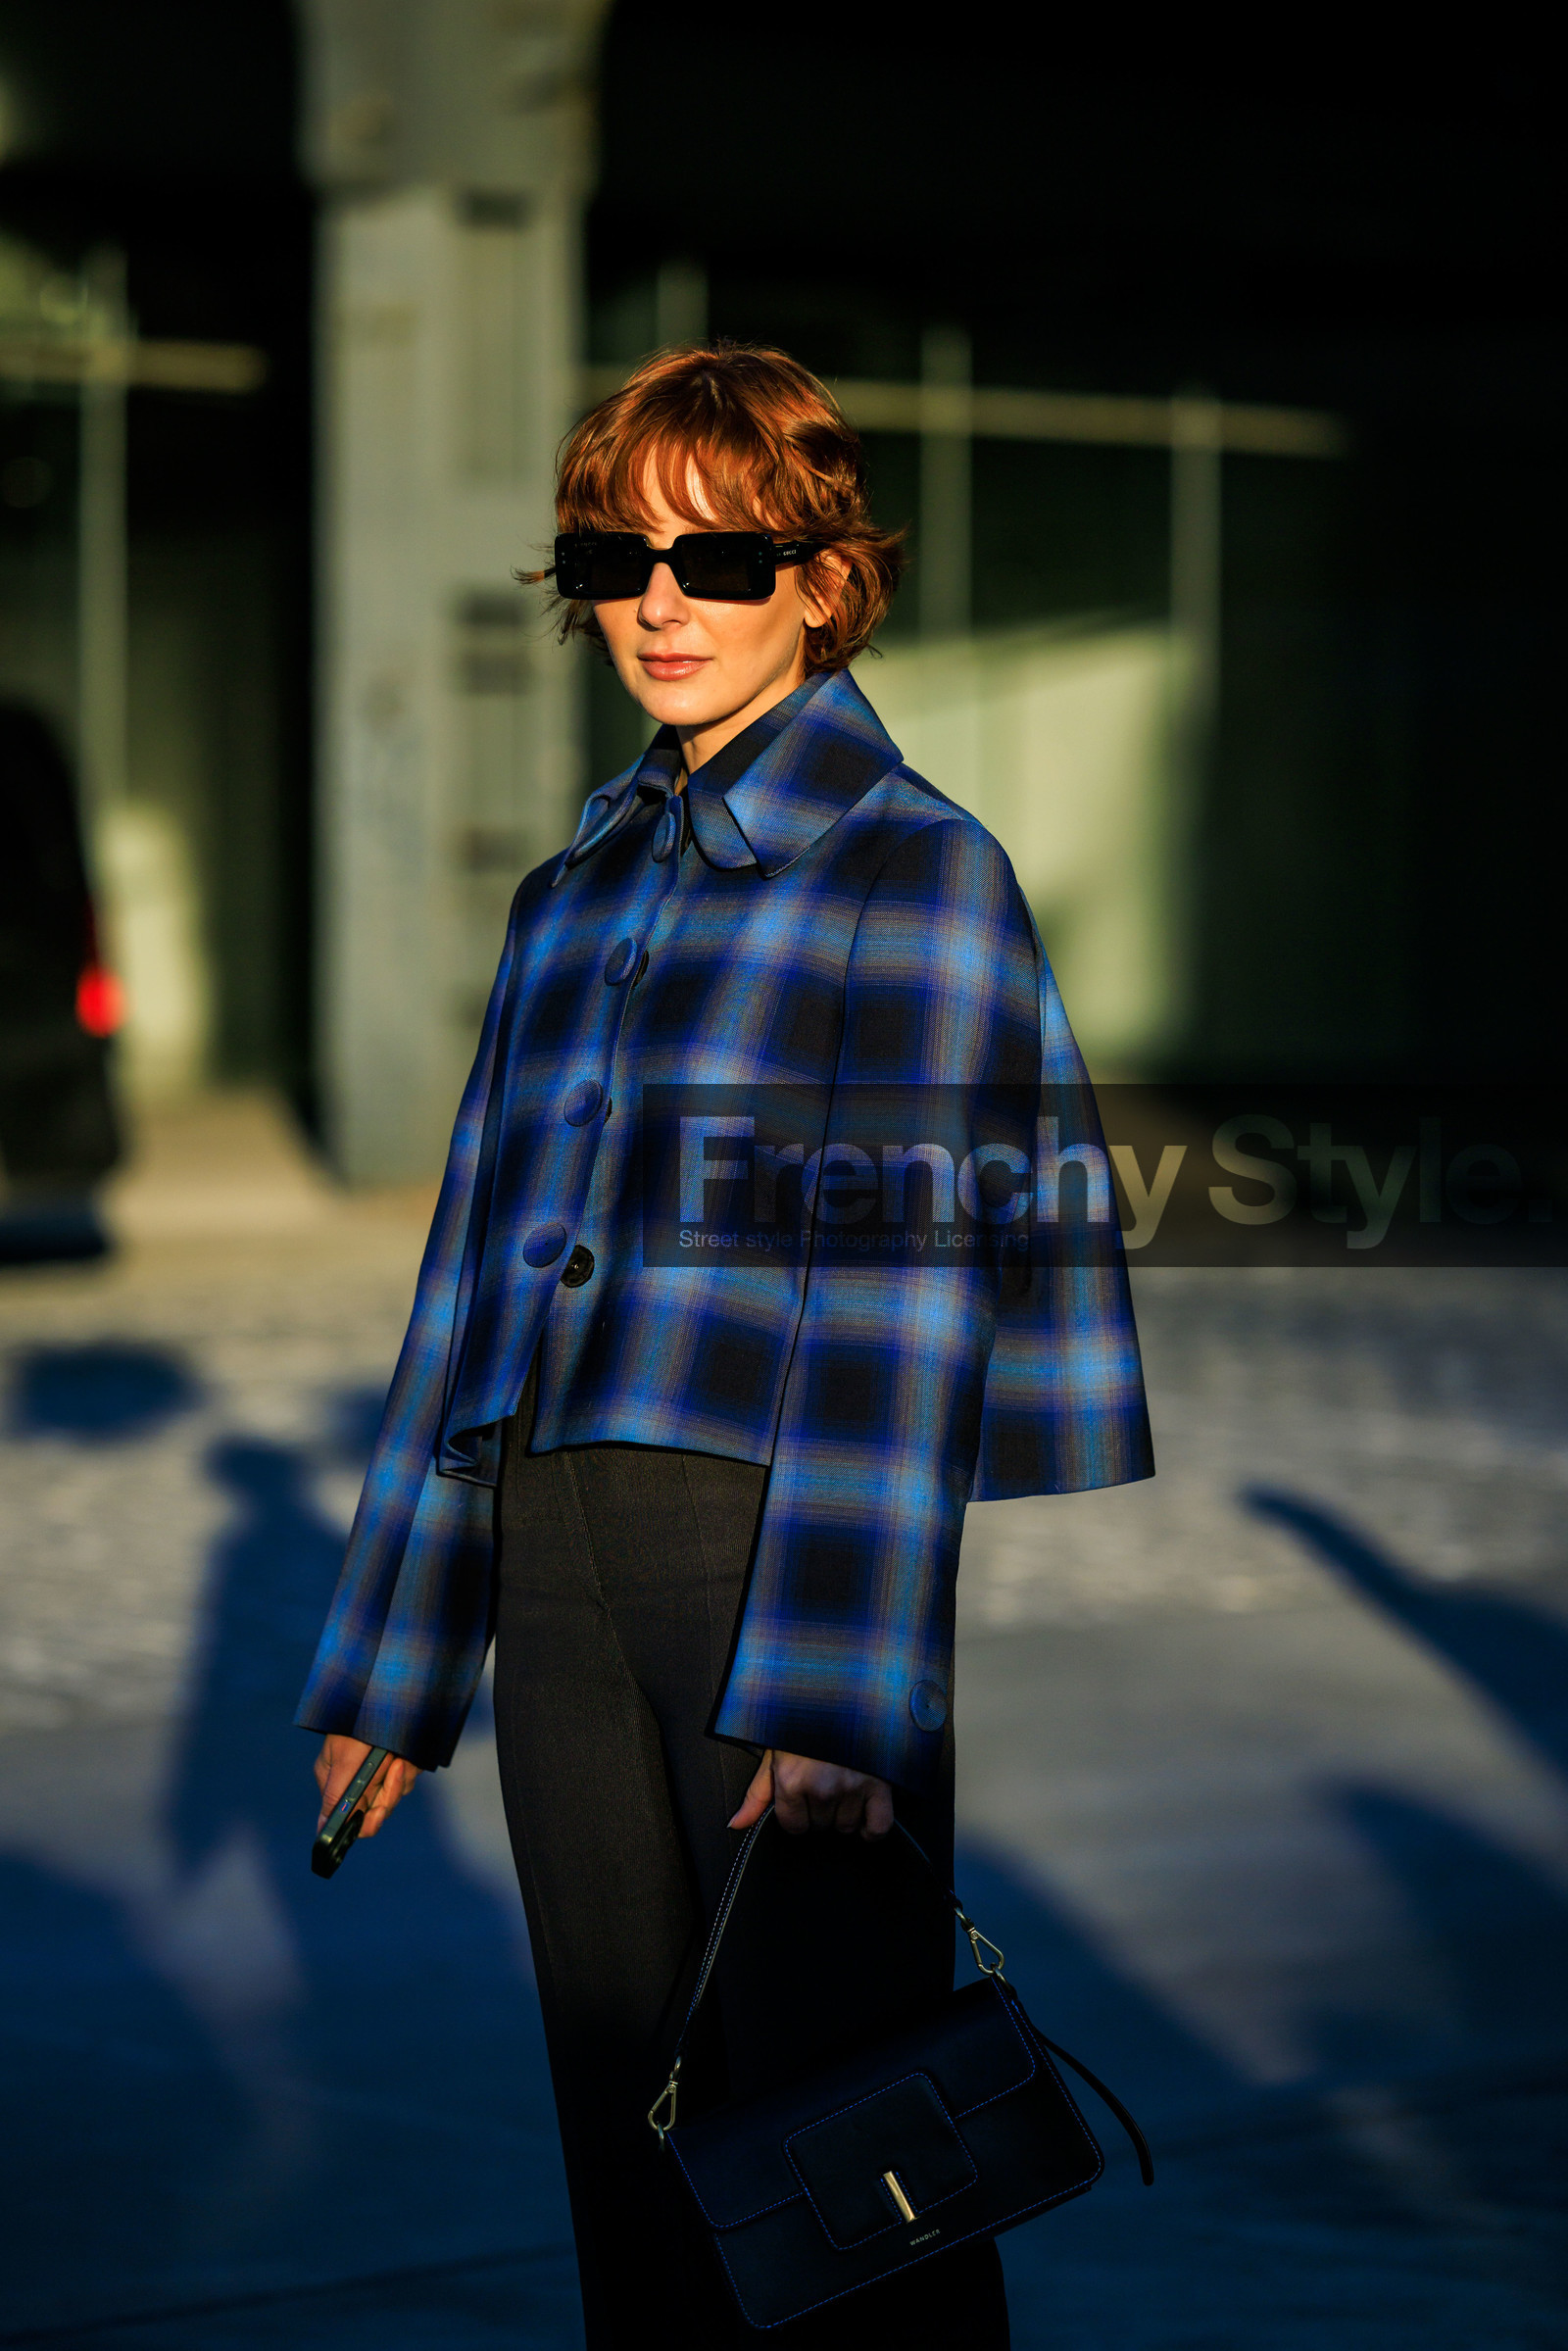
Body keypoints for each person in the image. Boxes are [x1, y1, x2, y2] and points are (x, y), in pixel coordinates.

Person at [298, 342, 1153, 2346]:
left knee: (843, 2164)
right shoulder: (562, 901)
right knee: (634, 2157)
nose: (661, 599)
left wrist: (845, 1687)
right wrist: (395, 1662)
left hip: (776, 1559)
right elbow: (467, 1294)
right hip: (564, 1572)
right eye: (616, 555)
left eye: (723, 553)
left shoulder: (910, 869)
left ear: (822, 578)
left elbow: (909, 1287)